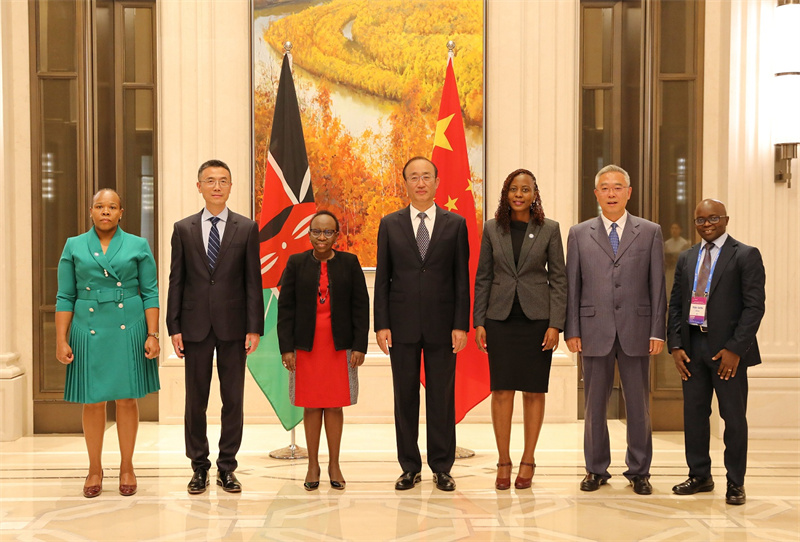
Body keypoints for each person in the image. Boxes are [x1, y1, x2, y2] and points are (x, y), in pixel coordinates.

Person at [565, 164, 666, 495]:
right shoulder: (579, 233)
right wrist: (572, 329)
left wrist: (657, 331)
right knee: (594, 406)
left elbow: (657, 285)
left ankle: (639, 470)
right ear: (596, 194)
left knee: (638, 405)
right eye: (605, 188)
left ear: (628, 192)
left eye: (617, 187)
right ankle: (595, 469)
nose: (611, 193)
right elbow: (572, 286)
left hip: (637, 329)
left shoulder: (649, 231)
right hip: (593, 329)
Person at [167, 159, 264, 495]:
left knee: (232, 399)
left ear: (231, 186)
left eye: (223, 180)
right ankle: (199, 467)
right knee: (195, 400)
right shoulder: (183, 229)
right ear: (199, 187)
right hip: (194, 326)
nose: (217, 186)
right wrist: (174, 326)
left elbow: (253, 281)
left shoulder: (246, 228)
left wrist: (254, 326)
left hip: (234, 326)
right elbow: (176, 280)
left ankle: (227, 467)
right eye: (210, 180)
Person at [55, 189, 160, 498]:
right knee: (93, 400)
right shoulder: (74, 245)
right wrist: (61, 339)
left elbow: (150, 292)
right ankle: (94, 468)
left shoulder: (138, 245)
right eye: (99, 206)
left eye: (111, 207)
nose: (105, 211)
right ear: (90, 211)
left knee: (127, 399)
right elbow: (65, 296)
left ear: (121, 212)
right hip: (88, 326)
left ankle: (127, 466)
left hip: (128, 325)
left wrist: (152, 334)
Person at [374, 156, 470, 492]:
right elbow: (383, 278)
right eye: (413, 177)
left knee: (441, 398)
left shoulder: (455, 224)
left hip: (443, 325)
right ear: (405, 183)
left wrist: (461, 324)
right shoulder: (390, 224)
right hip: (401, 325)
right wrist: (381, 324)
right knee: (405, 397)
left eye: (426, 176)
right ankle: (409, 467)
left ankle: (442, 467)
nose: (420, 183)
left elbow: (461, 279)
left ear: (437, 182)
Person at [474, 169, 567, 490]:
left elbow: (559, 278)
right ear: (506, 193)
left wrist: (556, 324)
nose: (519, 194)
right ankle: (504, 461)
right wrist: (479, 321)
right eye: (513, 189)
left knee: (533, 390)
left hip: (537, 321)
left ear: (534, 194)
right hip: (499, 320)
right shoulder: (492, 229)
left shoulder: (549, 229)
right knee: (501, 390)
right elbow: (483, 277)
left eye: (525, 189)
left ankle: (528, 459)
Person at [668, 199, 765, 506]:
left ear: (726, 219)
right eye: (700, 220)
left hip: (727, 353)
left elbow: (754, 307)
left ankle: (735, 482)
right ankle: (699, 476)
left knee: (733, 419)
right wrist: (675, 345)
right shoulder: (687, 257)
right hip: (692, 348)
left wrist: (735, 349)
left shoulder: (745, 255)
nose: (707, 224)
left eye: (713, 218)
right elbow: (676, 304)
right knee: (694, 415)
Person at [277, 210, 369, 491]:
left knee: (334, 403)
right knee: (311, 404)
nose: (321, 237)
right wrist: (286, 348)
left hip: (338, 346)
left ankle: (334, 464)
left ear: (336, 235)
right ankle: (313, 465)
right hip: (306, 346)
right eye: (316, 231)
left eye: (328, 232)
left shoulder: (350, 263)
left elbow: (361, 307)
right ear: (309, 233)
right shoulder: (296, 263)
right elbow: (285, 309)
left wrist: (359, 345)